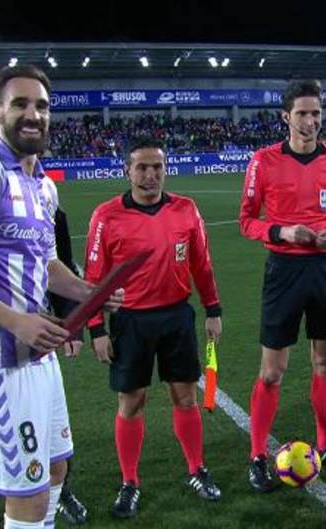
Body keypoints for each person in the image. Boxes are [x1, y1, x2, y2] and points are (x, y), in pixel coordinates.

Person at [0, 64, 123, 529]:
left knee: (54, 470)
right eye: (20, 104)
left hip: (38, 354)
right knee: (27, 494)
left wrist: (87, 292)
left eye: (42, 106)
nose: (33, 114)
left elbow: (47, 264)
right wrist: (15, 321)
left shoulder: (44, 188)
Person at [85, 138, 224, 518]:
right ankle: (130, 481)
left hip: (177, 316)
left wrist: (213, 309)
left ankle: (197, 469)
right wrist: (96, 330)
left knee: (186, 397)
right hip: (130, 321)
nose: (150, 175)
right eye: (142, 168)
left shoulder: (186, 209)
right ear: (127, 171)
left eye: (157, 167)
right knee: (132, 401)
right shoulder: (106, 216)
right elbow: (95, 278)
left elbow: (203, 263)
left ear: (165, 169)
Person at [239, 79, 326, 492]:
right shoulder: (263, 160)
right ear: (285, 117)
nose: (310, 122)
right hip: (284, 271)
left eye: (316, 113)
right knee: (273, 371)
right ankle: (257, 454)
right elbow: (247, 221)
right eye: (302, 114)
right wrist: (281, 232)